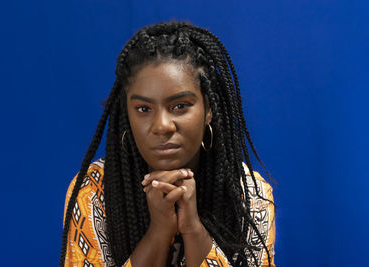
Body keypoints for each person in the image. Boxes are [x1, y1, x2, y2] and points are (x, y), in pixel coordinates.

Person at [60, 21, 276, 267]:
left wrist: (193, 229)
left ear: (208, 110)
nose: (162, 126)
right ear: (126, 115)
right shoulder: (94, 192)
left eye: (180, 106)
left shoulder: (250, 197)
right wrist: (159, 231)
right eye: (143, 109)